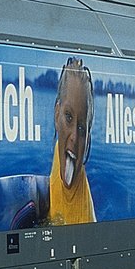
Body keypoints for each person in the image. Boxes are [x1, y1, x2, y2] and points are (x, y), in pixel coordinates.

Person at [47, 57, 96, 225]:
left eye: (82, 129)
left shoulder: (85, 219)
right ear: (57, 114)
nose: (74, 137)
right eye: (68, 117)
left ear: (87, 137)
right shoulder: (61, 151)